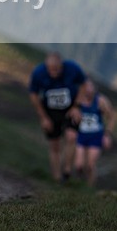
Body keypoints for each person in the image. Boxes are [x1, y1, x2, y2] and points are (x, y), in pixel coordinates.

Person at [28, 52, 88, 182]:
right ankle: (56, 178)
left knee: (72, 136)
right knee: (55, 145)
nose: (53, 72)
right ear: (46, 66)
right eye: (50, 70)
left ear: (62, 65)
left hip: (70, 107)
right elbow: (33, 94)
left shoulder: (72, 68)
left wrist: (77, 106)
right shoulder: (38, 73)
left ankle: (66, 171)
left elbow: (84, 84)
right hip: (50, 111)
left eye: (56, 69)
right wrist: (43, 117)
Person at [73, 80, 114, 187]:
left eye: (90, 88)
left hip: (96, 135)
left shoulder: (101, 101)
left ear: (94, 89)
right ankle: (78, 184)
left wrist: (107, 134)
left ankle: (89, 187)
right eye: (85, 89)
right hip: (82, 135)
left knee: (90, 165)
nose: (88, 91)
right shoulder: (78, 99)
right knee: (78, 165)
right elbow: (73, 113)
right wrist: (75, 117)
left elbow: (111, 117)